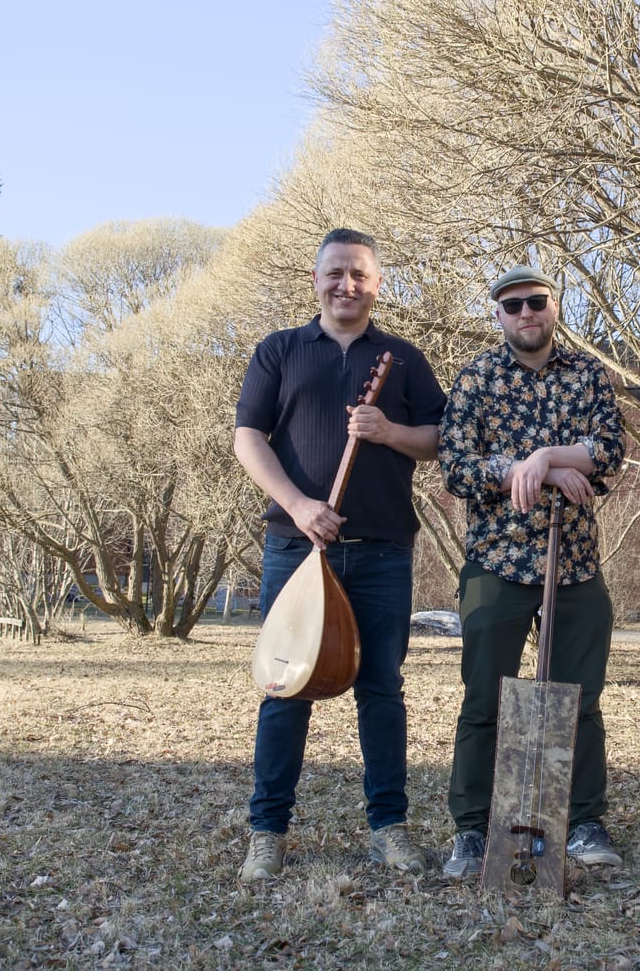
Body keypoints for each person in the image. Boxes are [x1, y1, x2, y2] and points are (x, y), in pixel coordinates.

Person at [233, 228, 447, 883]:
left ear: (377, 284)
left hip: (382, 550)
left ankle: (389, 828)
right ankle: (268, 832)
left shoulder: (404, 360)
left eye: (359, 273)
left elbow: (439, 438)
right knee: (284, 688)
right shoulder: (280, 351)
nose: (346, 285)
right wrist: (298, 505)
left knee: (381, 690)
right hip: (296, 548)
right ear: (317, 278)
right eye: (335, 273)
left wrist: (390, 431)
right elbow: (248, 439)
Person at [438, 264, 626, 879]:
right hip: (497, 560)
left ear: (553, 307)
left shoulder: (589, 375)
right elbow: (458, 468)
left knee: (580, 699)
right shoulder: (476, 380)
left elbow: (609, 452)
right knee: (484, 699)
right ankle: (472, 828)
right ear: (497, 314)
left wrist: (543, 456)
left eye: (536, 302)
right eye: (512, 305)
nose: (526, 313)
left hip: (573, 562)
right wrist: (537, 469)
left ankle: (581, 821)